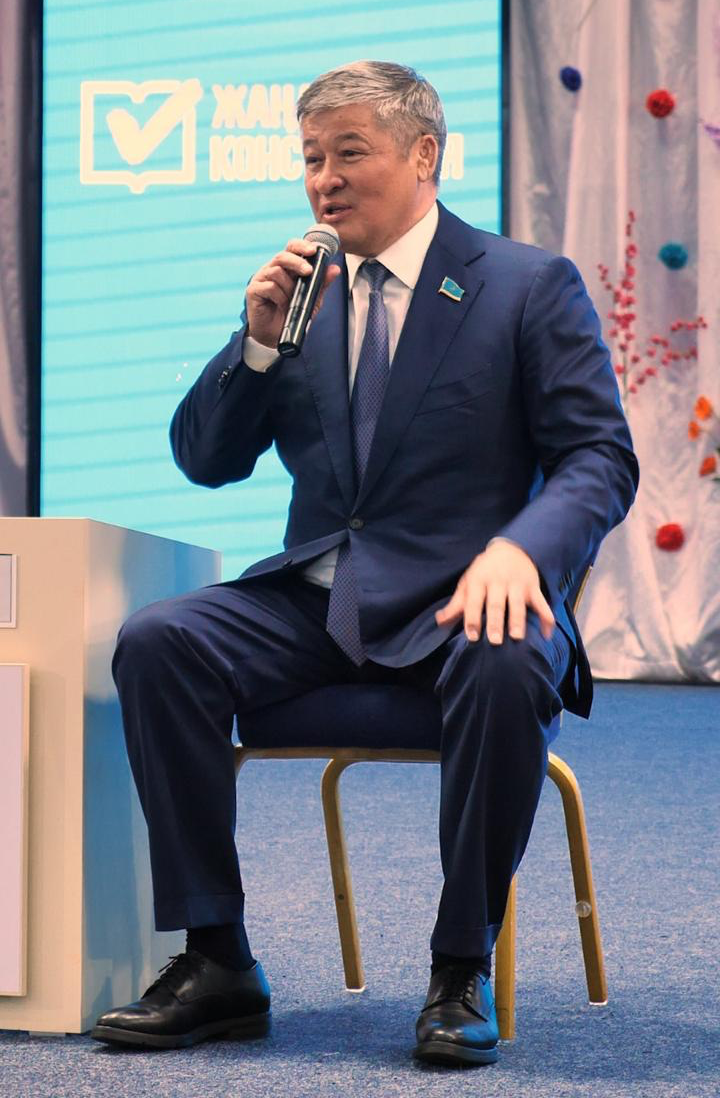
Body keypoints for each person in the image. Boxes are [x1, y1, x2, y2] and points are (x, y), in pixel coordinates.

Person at [92, 61, 638, 1064]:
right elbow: (205, 460)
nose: (325, 179)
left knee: (509, 654)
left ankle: (459, 964)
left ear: (424, 155)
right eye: (311, 158)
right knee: (160, 641)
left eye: (349, 152)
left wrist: (520, 550)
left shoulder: (523, 285)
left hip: (464, 600)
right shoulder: (301, 298)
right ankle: (217, 958)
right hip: (322, 600)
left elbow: (599, 456)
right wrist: (255, 346)